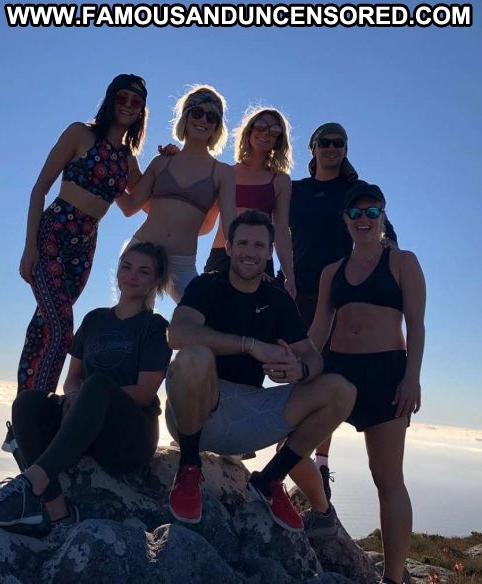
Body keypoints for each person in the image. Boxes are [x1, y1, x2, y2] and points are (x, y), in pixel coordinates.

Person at [0, 242, 173, 535]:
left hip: (128, 439)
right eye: (126, 267)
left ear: (156, 281)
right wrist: (74, 395)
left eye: (143, 271)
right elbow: (73, 376)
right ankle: (57, 511)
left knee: (97, 384)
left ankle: (31, 483)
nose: (132, 275)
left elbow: (145, 392)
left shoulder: (155, 327)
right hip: (85, 427)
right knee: (28, 402)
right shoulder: (95, 319)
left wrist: (90, 395)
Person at [164, 210, 356, 531]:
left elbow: (311, 356)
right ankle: (188, 469)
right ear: (229, 248)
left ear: (269, 253)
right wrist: (249, 345)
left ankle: (269, 480)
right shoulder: (207, 286)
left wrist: (299, 369)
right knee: (194, 356)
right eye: (242, 243)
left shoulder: (276, 300)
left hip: (249, 415)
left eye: (258, 245)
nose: (249, 252)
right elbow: (178, 334)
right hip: (198, 412)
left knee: (341, 390)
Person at [300, 183, 425, 584]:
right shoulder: (332, 272)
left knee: (387, 478)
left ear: (383, 216)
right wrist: (300, 366)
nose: (364, 219)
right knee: (293, 445)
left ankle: (393, 577)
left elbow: (416, 325)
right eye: (356, 213)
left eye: (372, 212)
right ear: (346, 220)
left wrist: (412, 378)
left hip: (386, 373)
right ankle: (322, 511)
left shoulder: (403, 262)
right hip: (338, 369)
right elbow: (318, 330)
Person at [16, 74, 149, 397]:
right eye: (122, 97)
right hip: (53, 233)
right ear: (110, 98)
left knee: (45, 325)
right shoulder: (80, 134)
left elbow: (132, 205)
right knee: (62, 329)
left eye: (136, 102)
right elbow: (40, 188)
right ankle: (38, 406)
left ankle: (25, 408)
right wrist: (30, 245)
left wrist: (164, 162)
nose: (128, 105)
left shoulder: (127, 160)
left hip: (84, 246)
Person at [287, 122, 398, 498]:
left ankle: (320, 462)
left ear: (346, 149)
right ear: (313, 148)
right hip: (299, 290)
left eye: (339, 143)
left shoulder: (353, 190)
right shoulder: (297, 190)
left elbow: (385, 231)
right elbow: (270, 225)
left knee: (327, 373)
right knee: (301, 374)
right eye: (325, 142)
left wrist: (391, 267)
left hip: (339, 293)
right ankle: (295, 459)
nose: (332, 148)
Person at [119, 85, 236, 303]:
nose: (203, 120)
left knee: (199, 312)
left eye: (212, 117)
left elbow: (231, 227)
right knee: (132, 315)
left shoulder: (223, 172)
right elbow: (130, 207)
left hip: (182, 263)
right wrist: (106, 177)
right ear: (186, 116)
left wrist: (246, 260)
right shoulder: (162, 161)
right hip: (141, 253)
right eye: (197, 112)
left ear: (217, 127)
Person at [204, 107, 296, 299]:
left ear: (279, 140)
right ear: (249, 130)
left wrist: (289, 275)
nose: (266, 133)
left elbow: (281, 231)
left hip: (258, 258)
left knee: (256, 316)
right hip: (222, 256)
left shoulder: (280, 181)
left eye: (274, 131)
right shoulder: (226, 172)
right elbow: (206, 221)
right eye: (261, 126)